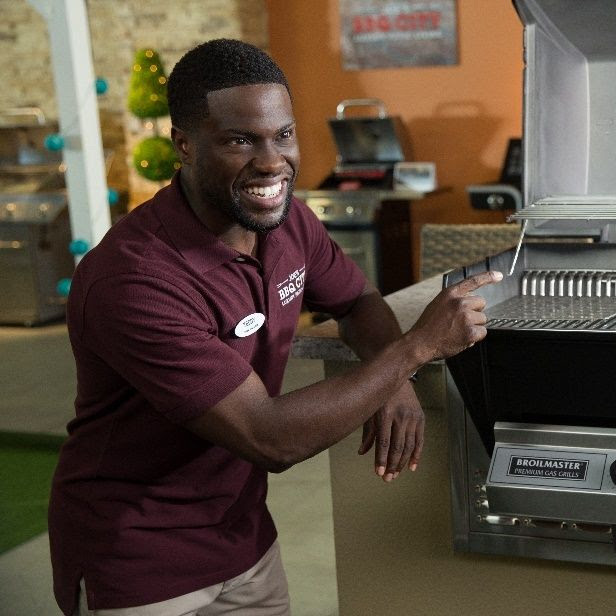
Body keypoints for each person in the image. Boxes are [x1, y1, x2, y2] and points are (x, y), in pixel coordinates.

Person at [48, 38, 501, 615]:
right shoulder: (135, 279)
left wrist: (394, 379)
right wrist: (411, 353)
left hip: (244, 538)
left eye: (283, 135)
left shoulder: (287, 223)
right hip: (139, 555)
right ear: (183, 146)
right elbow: (270, 437)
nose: (271, 162)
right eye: (240, 140)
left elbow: (357, 301)